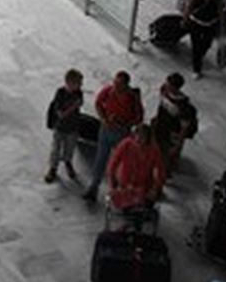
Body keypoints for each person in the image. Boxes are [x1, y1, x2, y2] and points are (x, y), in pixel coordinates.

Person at [83, 71, 144, 202]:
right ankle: (93, 187)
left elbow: (139, 117)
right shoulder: (108, 91)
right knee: (100, 159)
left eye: (119, 84)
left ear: (126, 85)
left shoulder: (132, 98)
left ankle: (118, 191)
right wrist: (104, 119)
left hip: (122, 133)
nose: (115, 86)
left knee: (120, 164)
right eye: (115, 83)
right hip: (106, 130)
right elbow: (98, 103)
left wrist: (124, 124)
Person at [105, 123, 167, 212]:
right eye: (137, 136)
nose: (138, 140)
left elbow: (159, 170)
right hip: (124, 184)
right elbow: (112, 164)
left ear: (147, 139)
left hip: (143, 186)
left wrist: (155, 188)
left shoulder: (153, 150)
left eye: (142, 137)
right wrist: (112, 185)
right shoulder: (126, 144)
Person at [44, 69, 85, 184]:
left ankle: (68, 161)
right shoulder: (60, 93)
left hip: (73, 127)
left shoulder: (78, 92)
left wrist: (77, 104)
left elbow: (80, 102)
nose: (81, 86)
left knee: (70, 148)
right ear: (69, 83)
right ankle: (53, 168)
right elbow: (61, 114)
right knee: (56, 149)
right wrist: (73, 106)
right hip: (60, 127)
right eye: (79, 83)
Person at [183, 0, 226, 78]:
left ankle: (198, 58)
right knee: (196, 46)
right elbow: (189, 6)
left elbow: (220, 9)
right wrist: (185, 19)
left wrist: (221, 24)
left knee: (206, 44)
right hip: (195, 23)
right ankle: (196, 69)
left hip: (210, 24)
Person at [153, 72, 197, 173]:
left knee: (168, 155)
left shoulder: (183, 107)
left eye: (169, 85)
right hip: (160, 126)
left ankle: (166, 171)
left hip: (172, 133)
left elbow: (184, 128)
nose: (166, 86)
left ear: (175, 87)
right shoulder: (164, 90)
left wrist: (177, 145)